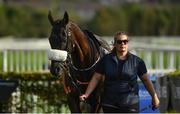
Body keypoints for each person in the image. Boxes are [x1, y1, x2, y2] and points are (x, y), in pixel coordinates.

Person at [79, 31, 160, 113]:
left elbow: (146, 80)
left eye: (125, 41)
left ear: (128, 43)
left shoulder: (137, 62)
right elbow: (96, 78)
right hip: (109, 104)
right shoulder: (105, 60)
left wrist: (154, 96)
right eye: (119, 42)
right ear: (115, 44)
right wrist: (86, 94)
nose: (122, 44)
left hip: (130, 104)